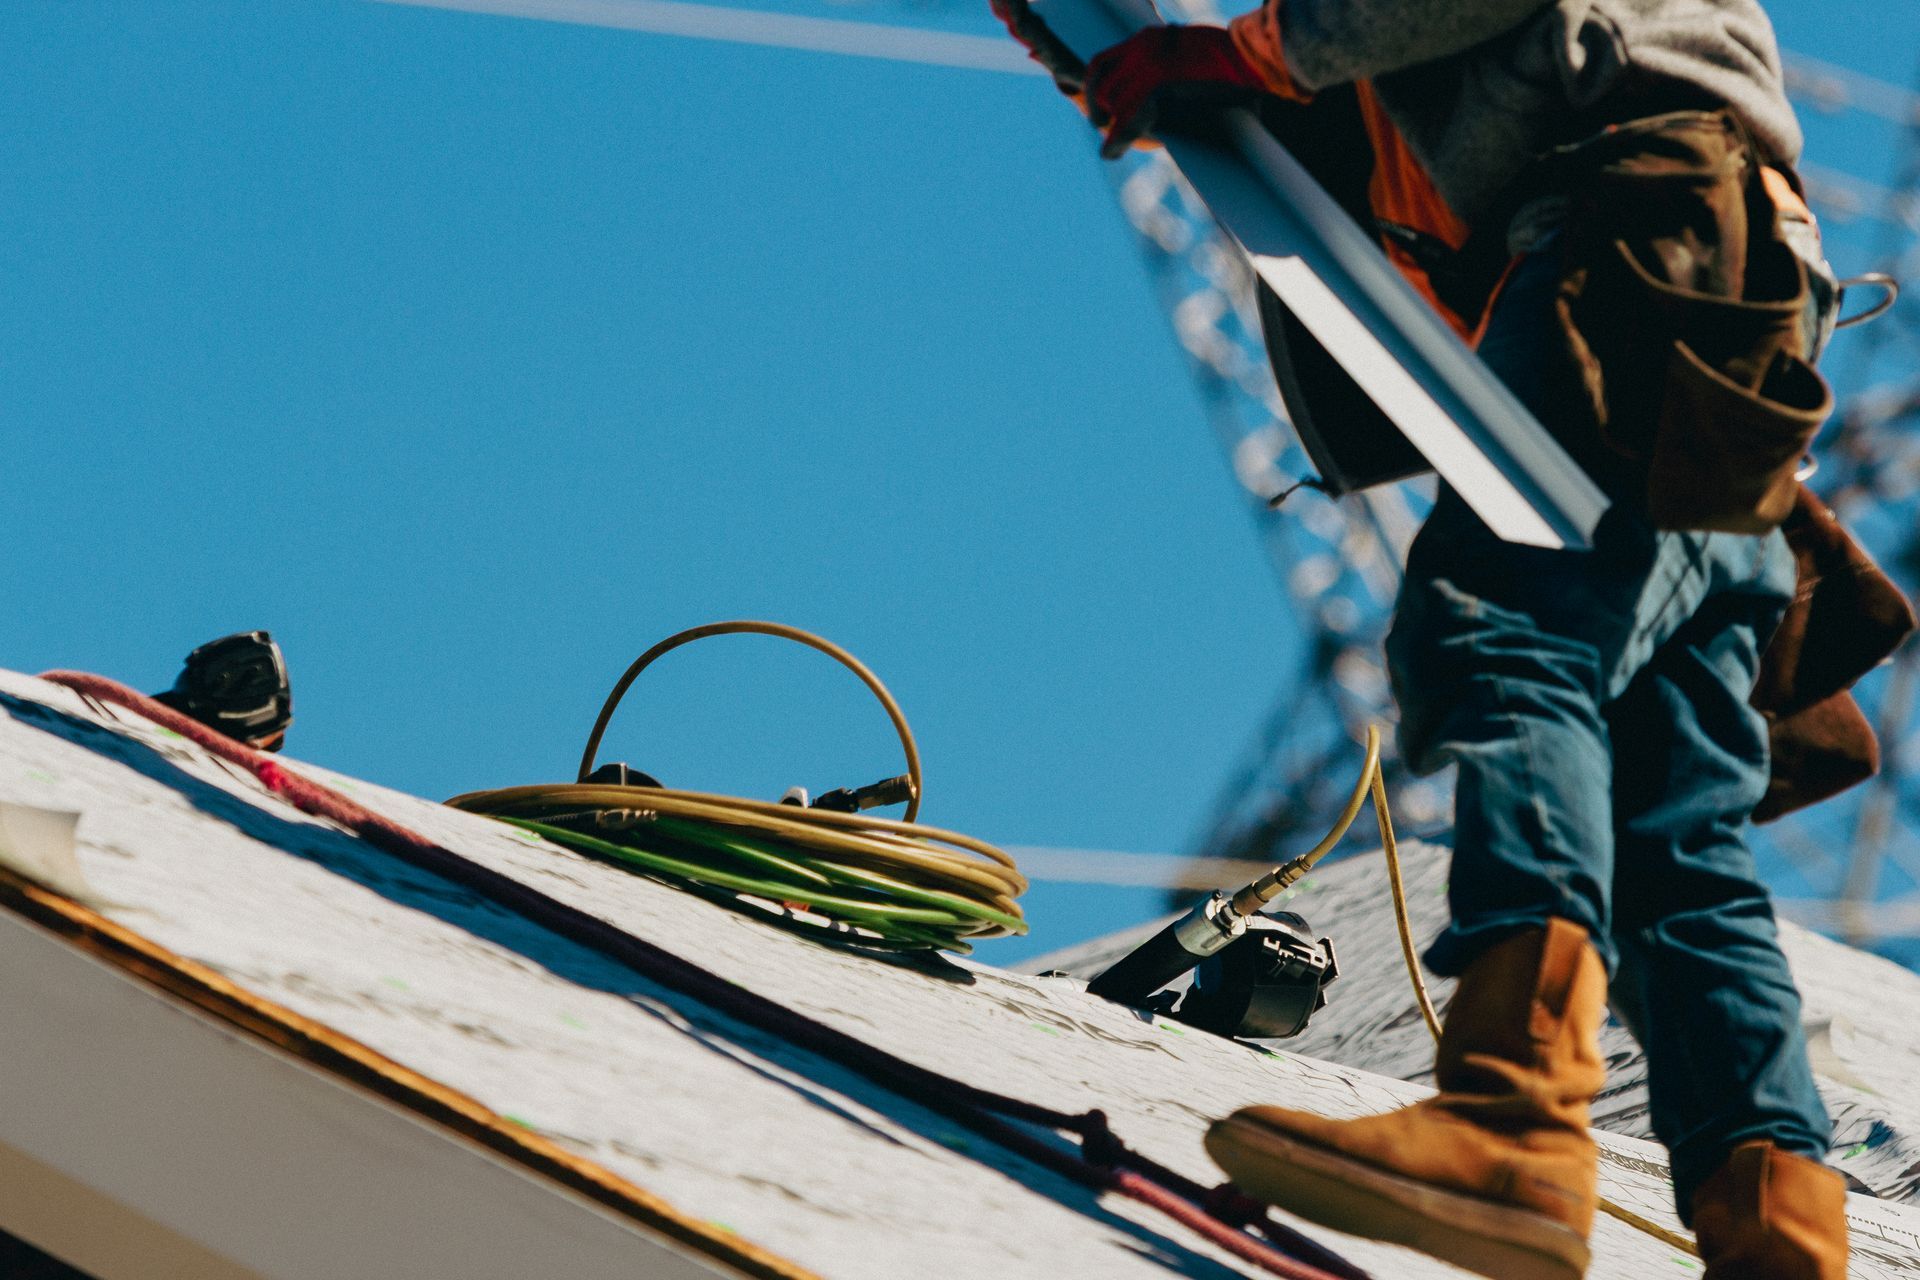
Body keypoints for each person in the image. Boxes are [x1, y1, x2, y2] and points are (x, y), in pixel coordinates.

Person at [992, 1, 1909, 1277]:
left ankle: (1512, 1116)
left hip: (1636, 230)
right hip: (1713, 264)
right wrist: (1185, 74)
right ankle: (1778, 1222)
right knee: (1668, 807)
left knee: (1508, 629)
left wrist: (1254, 53)